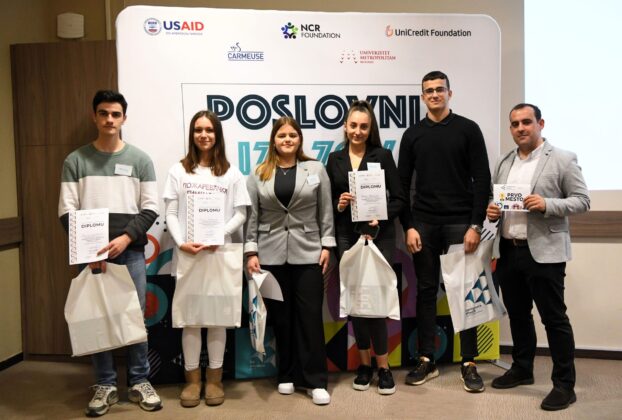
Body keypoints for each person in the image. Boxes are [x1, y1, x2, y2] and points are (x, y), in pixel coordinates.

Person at [58, 90, 162, 416]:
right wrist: (91, 250)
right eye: (103, 113)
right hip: (92, 256)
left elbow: (150, 208)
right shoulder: (75, 161)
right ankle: (105, 383)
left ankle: (139, 380)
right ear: (94, 117)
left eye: (116, 114)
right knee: (95, 317)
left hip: (130, 252)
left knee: (135, 316)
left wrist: (125, 238)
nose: (109, 120)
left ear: (124, 118)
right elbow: (66, 211)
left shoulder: (141, 160)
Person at [486, 103, 589, 411]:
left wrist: (547, 204)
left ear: (540, 124)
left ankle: (564, 385)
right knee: (518, 315)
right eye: (515, 123)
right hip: (508, 250)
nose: (521, 128)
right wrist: (492, 210)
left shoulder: (562, 159)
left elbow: (582, 201)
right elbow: (496, 199)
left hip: (544, 252)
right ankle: (522, 368)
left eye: (527, 122)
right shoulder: (504, 161)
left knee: (554, 319)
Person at [397, 71, 491, 393]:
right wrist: (408, 225)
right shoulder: (412, 135)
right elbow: (401, 184)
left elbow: (482, 178)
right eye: (429, 91)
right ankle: (427, 358)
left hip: (460, 224)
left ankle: (469, 362)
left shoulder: (468, 129)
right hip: (423, 223)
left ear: (450, 93)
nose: (435, 94)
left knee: (465, 293)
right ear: (422, 97)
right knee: (426, 291)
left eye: (440, 89)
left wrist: (475, 224)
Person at [245, 116, 335, 405]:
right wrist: (251, 251)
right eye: (282, 135)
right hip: (269, 255)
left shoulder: (315, 169)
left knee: (310, 317)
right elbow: (252, 217)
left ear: (299, 140)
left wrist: (327, 245)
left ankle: (315, 380)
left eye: (292, 135)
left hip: (309, 251)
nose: (287, 140)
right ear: (273, 140)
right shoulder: (259, 173)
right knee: (281, 318)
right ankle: (286, 374)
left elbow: (325, 210)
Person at [162, 110, 250, 407]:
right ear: (192, 134)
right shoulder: (178, 171)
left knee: (216, 319)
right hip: (188, 255)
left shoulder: (231, 173)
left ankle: (214, 380)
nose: (204, 135)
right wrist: (181, 243)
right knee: (190, 320)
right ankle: (192, 381)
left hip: (218, 254)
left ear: (217, 135)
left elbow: (241, 213)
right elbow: (171, 213)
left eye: (209, 130)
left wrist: (218, 235)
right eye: (198, 130)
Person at [326, 100, 406, 395]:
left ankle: (383, 367)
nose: (357, 131)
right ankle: (363, 365)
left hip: (379, 236)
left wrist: (379, 217)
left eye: (363, 126)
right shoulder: (334, 159)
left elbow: (399, 199)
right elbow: (327, 204)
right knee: (356, 303)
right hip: (347, 236)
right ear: (345, 127)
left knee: (375, 302)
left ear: (370, 129)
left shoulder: (382, 156)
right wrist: (339, 203)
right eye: (353, 125)